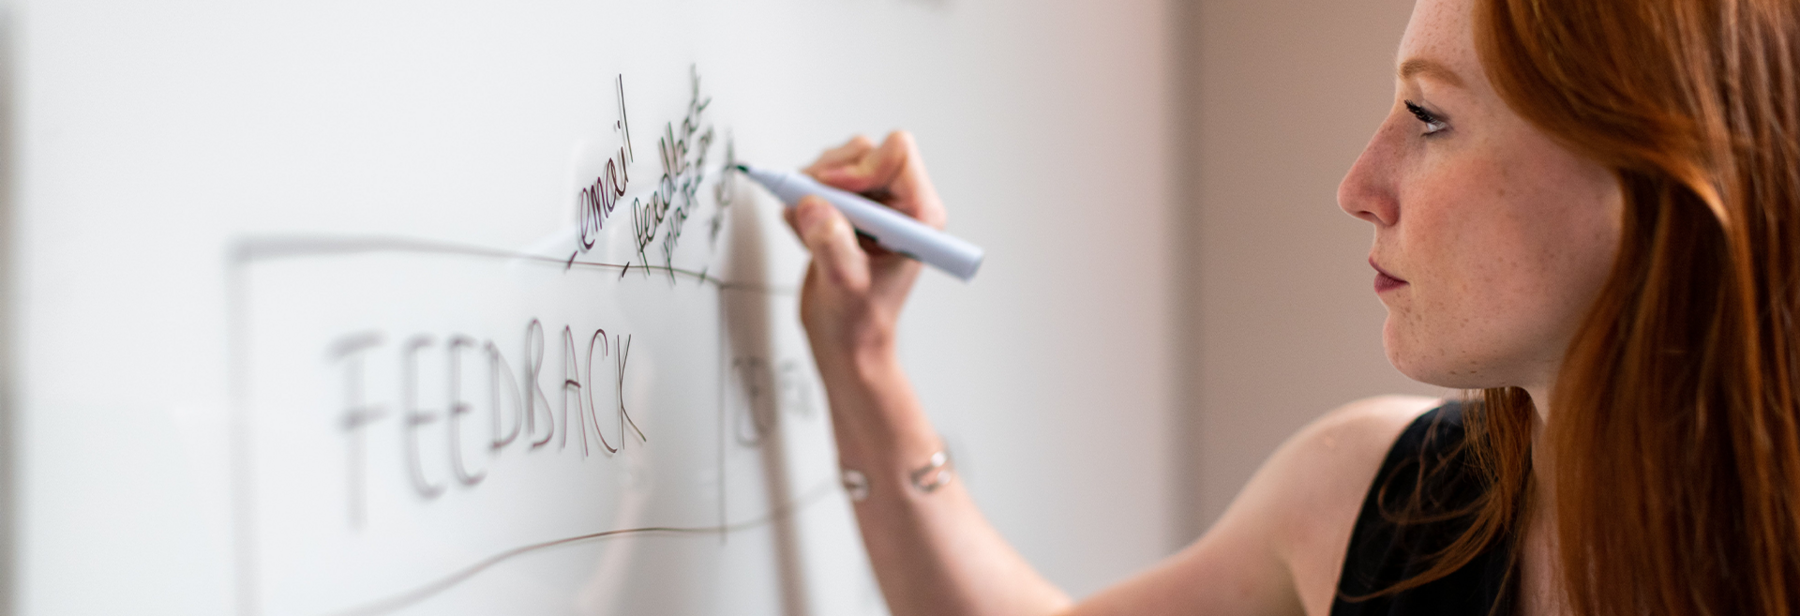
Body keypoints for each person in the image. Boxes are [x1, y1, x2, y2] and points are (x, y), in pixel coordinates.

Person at [782, 0, 1800, 612]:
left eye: (1431, 115)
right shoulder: (1375, 501)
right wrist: (864, 358)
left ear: (1650, 181)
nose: (1359, 183)